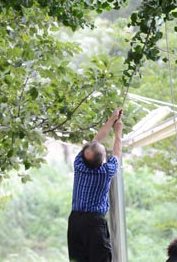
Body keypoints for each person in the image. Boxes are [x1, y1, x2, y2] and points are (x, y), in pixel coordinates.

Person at [67, 108, 123, 262]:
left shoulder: (79, 163)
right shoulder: (105, 172)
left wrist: (111, 119)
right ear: (102, 160)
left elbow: (95, 141)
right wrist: (118, 131)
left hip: (75, 222)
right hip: (94, 224)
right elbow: (117, 152)